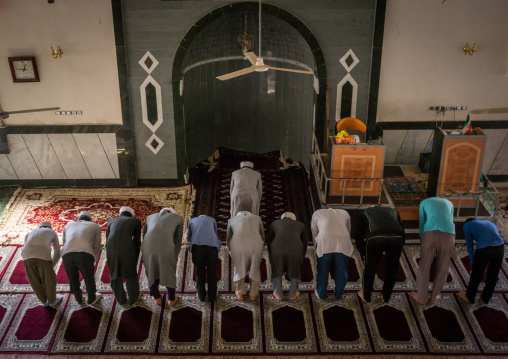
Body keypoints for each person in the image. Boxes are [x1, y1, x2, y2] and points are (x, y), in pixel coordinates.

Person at [410, 197, 455, 305]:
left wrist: (423, 239)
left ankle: (422, 298)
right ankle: (434, 296)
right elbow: (450, 219)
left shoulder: (424, 202)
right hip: (448, 235)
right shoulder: (450, 203)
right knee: (443, 266)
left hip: (429, 233)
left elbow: (422, 223)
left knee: (424, 266)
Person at [356, 206, 405, 303]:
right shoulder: (393, 211)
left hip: (375, 238)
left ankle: (366, 295)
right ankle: (386, 296)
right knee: (393, 267)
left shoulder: (365, 212)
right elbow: (402, 230)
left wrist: (364, 254)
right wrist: (400, 244)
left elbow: (358, 236)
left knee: (370, 266)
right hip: (397, 238)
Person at [458, 218, 505, 305]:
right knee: (493, 274)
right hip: (500, 247)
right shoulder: (489, 223)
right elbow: (492, 239)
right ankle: (485, 298)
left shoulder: (467, 225)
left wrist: (473, 264)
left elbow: (470, 245)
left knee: (476, 274)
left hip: (484, 249)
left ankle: (469, 297)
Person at [142, 207, 183, 307]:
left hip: (148, 248)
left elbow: (144, 235)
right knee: (168, 271)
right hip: (166, 248)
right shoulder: (178, 218)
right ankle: (172, 299)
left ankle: (157, 298)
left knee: (151, 271)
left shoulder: (150, 217)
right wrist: (175, 256)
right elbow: (178, 240)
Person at [311, 208, 354, 300]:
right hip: (343, 241)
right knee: (341, 270)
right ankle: (338, 295)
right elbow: (348, 229)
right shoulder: (345, 212)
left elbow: (314, 232)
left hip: (325, 241)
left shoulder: (317, 213)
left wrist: (317, 247)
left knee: (323, 270)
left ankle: (320, 294)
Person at [62, 211, 102, 305]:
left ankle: (78, 299)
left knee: (72, 278)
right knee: (88, 278)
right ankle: (92, 299)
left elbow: (64, 242)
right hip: (85, 254)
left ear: (78, 218)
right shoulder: (95, 226)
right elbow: (97, 244)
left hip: (67, 254)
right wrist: (95, 258)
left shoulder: (67, 226)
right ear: (90, 219)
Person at [106, 206, 142, 307]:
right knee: (130, 274)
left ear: (120, 214)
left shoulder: (111, 221)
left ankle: (121, 300)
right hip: (127, 249)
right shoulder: (136, 222)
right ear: (132, 215)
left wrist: (107, 251)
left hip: (111, 249)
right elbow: (137, 241)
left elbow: (108, 238)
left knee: (114, 274)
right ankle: (134, 298)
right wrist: (136, 255)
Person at [267, 212, 308, 301]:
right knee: (295, 270)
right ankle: (293, 293)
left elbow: (269, 241)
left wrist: (272, 256)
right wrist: (301, 257)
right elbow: (305, 244)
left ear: (282, 218)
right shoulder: (301, 225)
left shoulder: (274, 224)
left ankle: (278, 293)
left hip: (277, 249)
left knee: (277, 268)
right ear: (294, 219)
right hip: (295, 250)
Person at [21, 221, 62, 307]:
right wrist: (52, 264)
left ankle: (44, 301)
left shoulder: (30, 233)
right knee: (49, 279)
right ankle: (52, 301)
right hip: (42, 255)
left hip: (26, 257)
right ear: (50, 228)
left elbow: (26, 247)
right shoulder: (52, 232)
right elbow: (57, 251)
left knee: (34, 279)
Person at [227, 211, 265, 300]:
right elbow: (262, 235)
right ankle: (253, 293)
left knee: (239, 267)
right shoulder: (257, 218)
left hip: (238, 245)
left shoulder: (231, 220)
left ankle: (240, 293)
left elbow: (228, 239)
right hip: (256, 244)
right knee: (255, 267)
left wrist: (231, 252)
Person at [187, 215, 221, 302]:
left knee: (199, 270)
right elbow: (215, 233)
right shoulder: (212, 220)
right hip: (212, 246)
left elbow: (189, 237)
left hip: (197, 247)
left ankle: (201, 295)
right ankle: (212, 296)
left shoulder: (192, 221)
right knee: (212, 271)